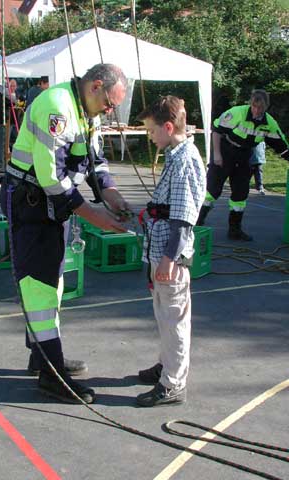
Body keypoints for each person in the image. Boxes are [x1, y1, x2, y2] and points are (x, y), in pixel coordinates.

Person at [0, 63, 130, 404]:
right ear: (96, 86)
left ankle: (42, 356)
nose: (111, 110)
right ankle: (51, 376)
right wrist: (94, 216)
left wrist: (113, 196)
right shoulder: (56, 107)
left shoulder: (89, 111)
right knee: (39, 287)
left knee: (51, 283)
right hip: (29, 203)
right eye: (110, 104)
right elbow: (52, 180)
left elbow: (95, 162)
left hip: (49, 205)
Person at [135, 96, 206, 407]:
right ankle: (166, 364)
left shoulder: (185, 161)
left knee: (175, 319)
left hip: (170, 257)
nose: (150, 137)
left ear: (167, 127)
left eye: (151, 131)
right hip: (160, 252)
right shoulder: (175, 156)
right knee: (164, 316)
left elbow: (183, 219)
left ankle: (173, 383)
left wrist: (168, 258)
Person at [197, 89, 289, 240]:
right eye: (254, 106)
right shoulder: (237, 112)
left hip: (245, 156)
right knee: (212, 190)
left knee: (240, 193)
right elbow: (217, 130)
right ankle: (196, 224)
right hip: (225, 151)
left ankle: (234, 230)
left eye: (260, 108)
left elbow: (282, 147)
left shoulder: (270, 123)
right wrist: (217, 155)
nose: (256, 110)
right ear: (250, 103)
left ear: (266, 107)